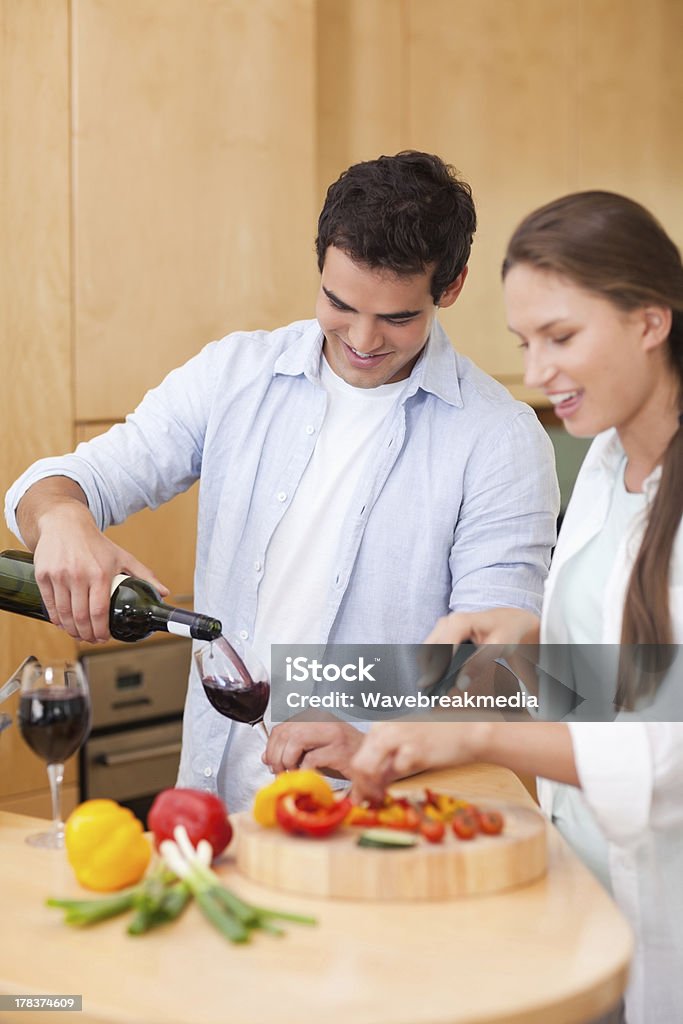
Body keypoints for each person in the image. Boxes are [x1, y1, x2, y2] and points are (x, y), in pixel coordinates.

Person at [4, 151, 558, 812]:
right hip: (215, 808)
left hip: (377, 818)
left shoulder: (498, 438)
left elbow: (500, 665)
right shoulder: (235, 374)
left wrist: (378, 740)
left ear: (453, 285)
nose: (361, 338)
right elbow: (63, 481)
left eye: (397, 318)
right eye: (339, 302)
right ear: (320, 260)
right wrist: (64, 519)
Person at [349, 191, 683, 1024]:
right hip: (590, 917)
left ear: (650, 321)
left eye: (561, 337)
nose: (534, 373)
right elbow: (618, 690)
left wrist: (473, 732)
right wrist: (522, 650)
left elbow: (665, 755)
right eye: (524, 343)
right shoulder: (605, 467)